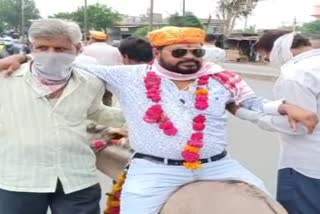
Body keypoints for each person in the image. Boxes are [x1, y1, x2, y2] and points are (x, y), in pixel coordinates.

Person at [0, 26, 317, 214]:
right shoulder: (129, 77)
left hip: (218, 164)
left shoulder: (221, 77)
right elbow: (65, 59)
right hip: (153, 169)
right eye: (179, 53)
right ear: (158, 51)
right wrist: (27, 56)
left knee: (262, 202)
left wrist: (286, 107)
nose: (190, 58)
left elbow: (252, 102)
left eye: (196, 52)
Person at [0, 19, 124, 214]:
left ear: (77, 49)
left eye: (60, 49)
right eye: (42, 47)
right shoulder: (6, 78)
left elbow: (96, 112)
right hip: (20, 178)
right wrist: (19, 59)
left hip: (76, 177)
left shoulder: (90, 82)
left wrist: (137, 116)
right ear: (32, 48)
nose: (51, 54)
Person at [234, 31, 320, 214]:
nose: (268, 61)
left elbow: (299, 126)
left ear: (277, 50)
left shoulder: (296, 75)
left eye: (266, 57)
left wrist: (245, 113)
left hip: (308, 166)